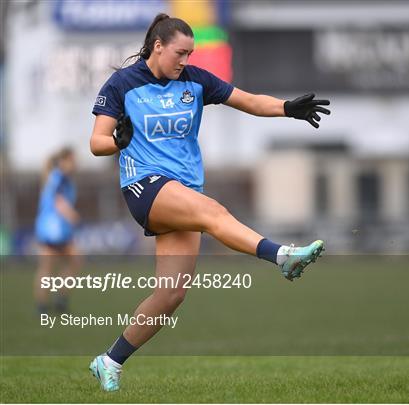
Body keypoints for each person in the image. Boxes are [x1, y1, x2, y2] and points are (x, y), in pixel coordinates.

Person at [88, 13, 330, 392]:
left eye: (190, 53)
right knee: (214, 213)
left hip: (182, 189)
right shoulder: (122, 84)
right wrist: (118, 140)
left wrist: (287, 109)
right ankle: (281, 256)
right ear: (158, 47)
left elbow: (247, 101)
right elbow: (96, 142)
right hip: (144, 185)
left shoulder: (195, 81)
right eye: (180, 53)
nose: (185, 60)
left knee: (171, 294)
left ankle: (109, 360)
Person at [34, 147, 81, 314]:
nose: (75, 164)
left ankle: (56, 300)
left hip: (59, 228)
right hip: (53, 228)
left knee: (72, 262)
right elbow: (58, 200)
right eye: (72, 160)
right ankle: (43, 304)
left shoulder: (60, 177)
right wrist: (71, 214)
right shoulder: (59, 177)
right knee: (48, 266)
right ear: (63, 161)